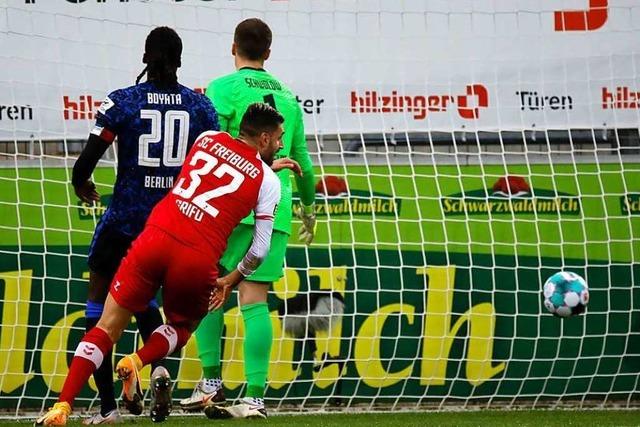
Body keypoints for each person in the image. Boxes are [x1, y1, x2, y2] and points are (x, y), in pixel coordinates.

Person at [34, 103, 287, 426]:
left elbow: (217, 172)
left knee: (106, 327)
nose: (280, 144)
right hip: (196, 256)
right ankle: (137, 360)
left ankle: (62, 406)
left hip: (156, 235)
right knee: (183, 328)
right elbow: (260, 249)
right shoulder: (268, 181)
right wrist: (232, 279)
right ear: (264, 139)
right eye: (278, 138)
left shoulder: (207, 139)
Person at [70, 26, 219, 424]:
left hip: (123, 222)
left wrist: (81, 183)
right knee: (154, 307)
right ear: (180, 61)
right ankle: (159, 372)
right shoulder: (200, 108)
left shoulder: (123, 101)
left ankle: (106, 409)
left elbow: (86, 161)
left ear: (144, 58)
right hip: (173, 226)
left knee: (101, 308)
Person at [179, 17, 317, 420]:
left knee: (211, 294)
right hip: (275, 205)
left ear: (233, 47)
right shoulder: (288, 97)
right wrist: (307, 206)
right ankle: (254, 398)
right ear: (269, 53)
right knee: (255, 299)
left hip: (230, 204)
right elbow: (304, 161)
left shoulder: (222, 87)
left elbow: (215, 146)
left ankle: (210, 384)